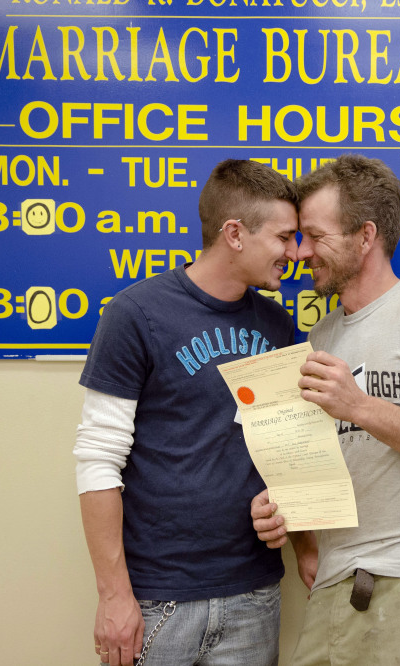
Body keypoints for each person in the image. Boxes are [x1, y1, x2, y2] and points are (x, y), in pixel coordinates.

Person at [250, 154, 400, 665]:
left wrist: (357, 405)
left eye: (316, 236)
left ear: (365, 236)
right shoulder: (323, 336)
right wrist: (292, 526)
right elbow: (320, 463)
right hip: (335, 584)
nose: (301, 252)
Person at [74, 159, 300, 666]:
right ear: (235, 234)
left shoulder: (277, 325)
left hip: (253, 593)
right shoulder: (136, 314)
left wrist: (286, 510)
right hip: (158, 598)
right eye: (285, 237)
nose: (295, 253)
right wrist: (114, 596)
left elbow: (286, 447)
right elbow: (96, 459)